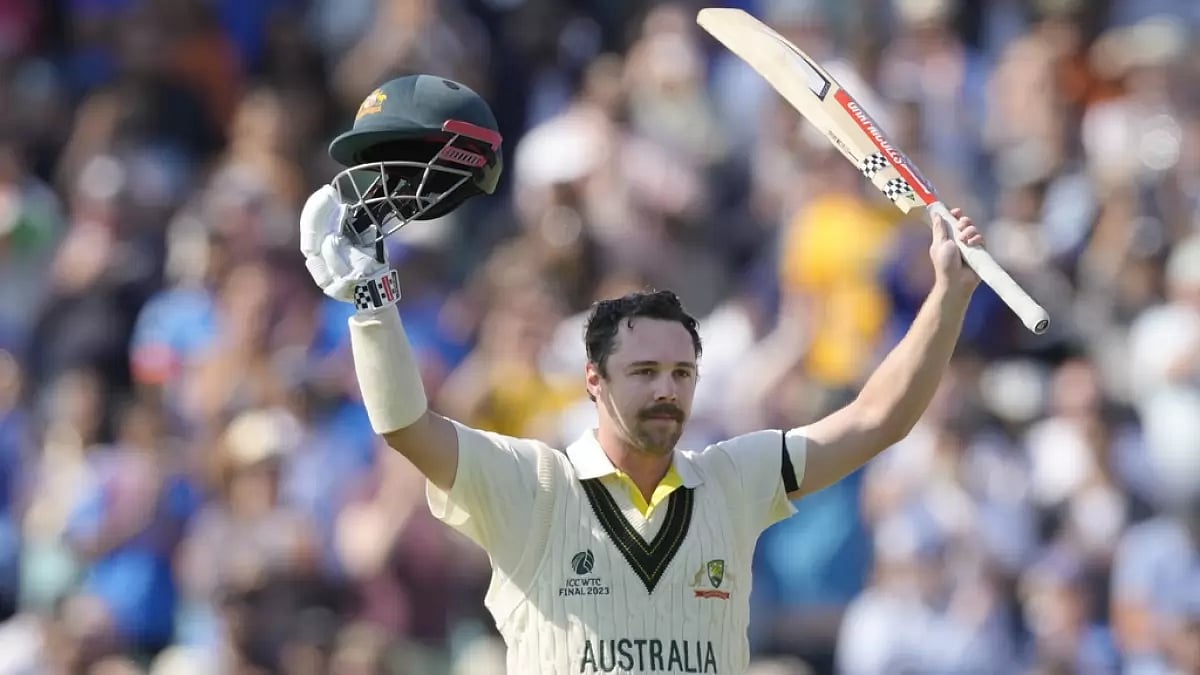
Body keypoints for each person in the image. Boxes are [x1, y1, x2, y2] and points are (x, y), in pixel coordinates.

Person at [300, 74, 984, 674]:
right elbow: (405, 427)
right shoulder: (533, 485)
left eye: (683, 372)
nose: (667, 389)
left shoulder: (732, 480)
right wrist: (370, 296)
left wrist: (946, 298)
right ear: (593, 380)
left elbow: (877, 418)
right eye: (646, 371)